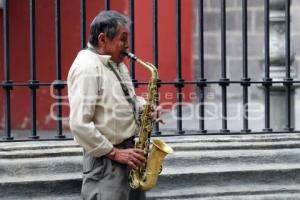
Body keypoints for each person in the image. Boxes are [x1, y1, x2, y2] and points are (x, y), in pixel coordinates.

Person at [67, 10, 149, 200]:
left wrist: (145, 107)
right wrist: (114, 153)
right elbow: (79, 124)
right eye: (123, 39)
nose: (127, 45)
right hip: (107, 163)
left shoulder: (116, 63)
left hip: (130, 156)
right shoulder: (87, 67)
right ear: (103, 39)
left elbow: (122, 99)